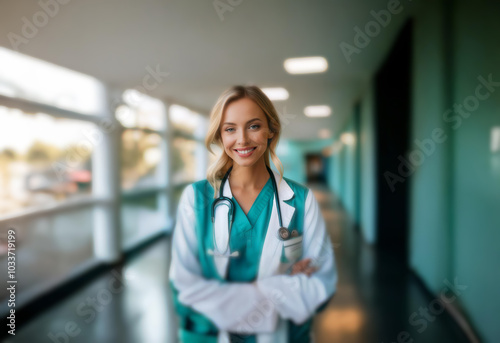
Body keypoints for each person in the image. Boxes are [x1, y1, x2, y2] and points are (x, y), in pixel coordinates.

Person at [169, 85, 338, 343]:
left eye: (253, 126)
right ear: (220, 136)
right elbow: (186, 287)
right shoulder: (196, 199)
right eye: (230, 129)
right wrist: (278, 288)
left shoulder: (301, 200)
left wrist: (228, 297)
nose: (242, 140)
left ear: (271, 130)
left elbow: (320, 284)